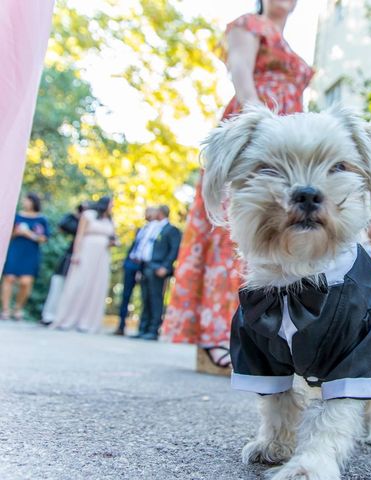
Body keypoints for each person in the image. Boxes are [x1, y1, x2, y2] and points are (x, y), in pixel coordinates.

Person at [161, 0, 313, 373]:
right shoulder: (248, 23)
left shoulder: (291, 45)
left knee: (276, 232)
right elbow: (241, 72)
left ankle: (262, 335)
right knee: (230, 227)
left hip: (290, 139)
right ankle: (215, 334)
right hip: (256, 126)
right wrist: (259, 123)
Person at [51, 197, 116, 333]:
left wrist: (113, 242)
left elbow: (112, 236)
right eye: (111, 204)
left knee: (96, 286)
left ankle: (87, 321)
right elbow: (79, 235)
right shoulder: (88, 215)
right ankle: (67, 318)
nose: (112, 207)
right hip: (86, 253)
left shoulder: (110, 220)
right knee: (78, 284)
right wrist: (76, 253)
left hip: (102, 257)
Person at [135, 205, 182, 341]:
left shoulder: (171, 230)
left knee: (156, 298)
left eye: (155, 211)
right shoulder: (152, 227)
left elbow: (174, 250)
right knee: (145, 298)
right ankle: (143, 328)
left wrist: (166, 266)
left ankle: (153, 329)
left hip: (158, 268)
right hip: (146, 266)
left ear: (160, 213)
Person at [1, 193, 49, 321]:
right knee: (9, 278)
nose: (24, 202)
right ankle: (5, 310)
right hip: (15, 250)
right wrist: (16, 233)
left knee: (25, 282)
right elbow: (7, 234)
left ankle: (18, 308)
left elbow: (44, 238)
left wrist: (28, 234)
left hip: (31, 253)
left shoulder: (41, 219)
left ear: (34, 202)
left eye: (27, 200)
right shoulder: (17, 216)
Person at [41, 202, 90, 325]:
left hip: (89, 259)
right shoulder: (74, 221)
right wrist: (77, 216)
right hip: (70, 257)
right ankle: (49, 315)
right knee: (58, 282)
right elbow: (64, 225)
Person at [114, 206, 158, 335]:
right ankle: (121, 325)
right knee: (125, 294)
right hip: (132, 263)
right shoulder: (142, 228)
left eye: (149, 212)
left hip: (144, 265)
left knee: (146, 296)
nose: (147, 214)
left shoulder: (157, 229)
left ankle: (144, 328)